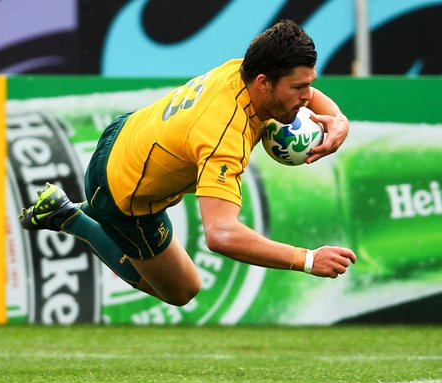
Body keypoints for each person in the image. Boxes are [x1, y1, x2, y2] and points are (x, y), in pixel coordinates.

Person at [20, 20, 357, 307]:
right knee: (182, 290)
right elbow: (222, 234)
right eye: (299, 88)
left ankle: (89, 208)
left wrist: (337, 118)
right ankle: (69, 215)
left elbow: (306, 94)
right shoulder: (224, 134)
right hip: (123, 194)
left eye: (309, 85)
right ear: (264, 84)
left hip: (125, 136)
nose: (307, 96)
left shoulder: (243, 70)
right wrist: (308, 260)